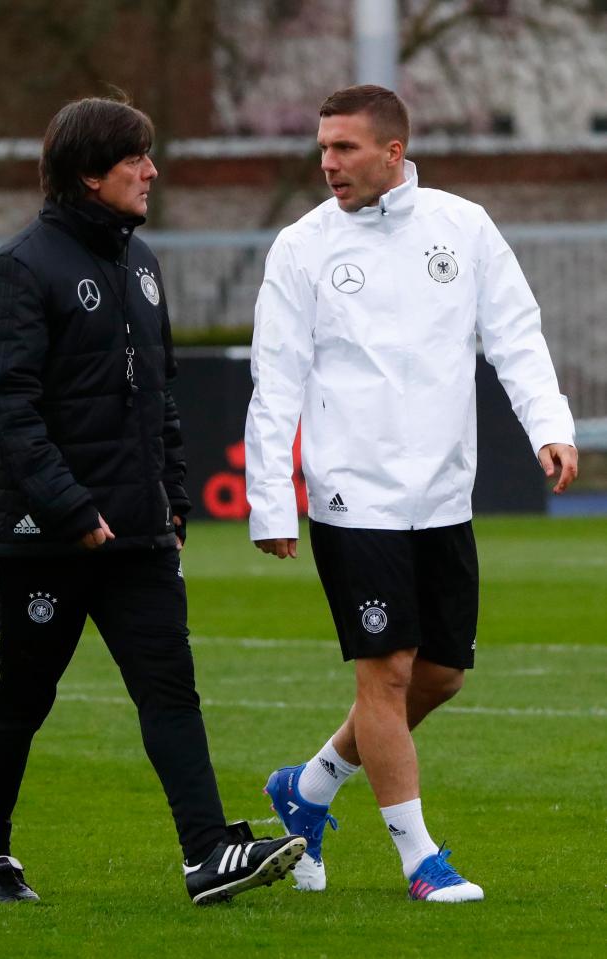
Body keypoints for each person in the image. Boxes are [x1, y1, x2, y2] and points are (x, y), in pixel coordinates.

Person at [0, 95, 305, 906]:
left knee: (171, 689)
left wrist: (173, 500)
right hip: (48, 535)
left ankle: (206, 852)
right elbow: (6, 407)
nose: (152, 172)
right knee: (25, 693)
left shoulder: (141, 263)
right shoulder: (18, 268)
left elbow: (160, 395)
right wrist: (72, 508)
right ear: (89, 174)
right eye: (135, 160)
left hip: (141, 532)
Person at [245, 85, 578, 902]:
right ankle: (421, 860)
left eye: (346, 148)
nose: (328, 163)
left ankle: (310, 785)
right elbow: (275, 378)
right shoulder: (301, 246)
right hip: (352, 495)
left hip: (441, 494)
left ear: (394, 152)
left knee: (440, 674)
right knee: (386, 672)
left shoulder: (462, 227)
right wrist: (270, 498)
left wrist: (550, 422)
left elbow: (515, 332)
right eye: (323, 147)